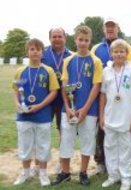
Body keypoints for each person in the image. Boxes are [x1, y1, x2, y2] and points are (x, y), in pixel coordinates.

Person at [51, 25, 102, 186]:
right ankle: (65, 173)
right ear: (75, 39)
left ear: (90, 41)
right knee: (66, 140)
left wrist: (85, 108)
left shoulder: (96, 61)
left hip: (89, 110)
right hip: (70, 110)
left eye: (86, 40)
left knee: (87, 141)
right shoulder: (68, 60)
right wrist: (66, 106)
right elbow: (64, 84)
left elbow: (96, 86)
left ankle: (83, 172)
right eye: (80, 39)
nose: (83, 43)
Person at [13, 38, 59, 186]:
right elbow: (15, 91)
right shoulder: (21, 71)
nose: (35, 52)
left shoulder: (48, 70)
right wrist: (17, 104)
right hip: (24, 116)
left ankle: (43, 173)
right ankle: (25, 172)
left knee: (43, 145)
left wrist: (39, 106)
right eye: (32, 49)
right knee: (25, 144)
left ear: (42, 52)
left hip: (43, 115)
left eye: (38, 49)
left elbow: (53, 92)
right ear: (27, 52)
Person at [100, 39, 131, 190]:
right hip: (110, 117)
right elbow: (103, 95)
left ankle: (126, 177)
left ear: (127, 53)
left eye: (122, 51)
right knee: (110, 147)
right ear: (111, 53)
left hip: (127, 118)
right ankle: (113, 175)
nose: (119, 54)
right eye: (116, 51)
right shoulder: (106, 71)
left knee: (126, 148)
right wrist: (101, 116)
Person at [91, 18, 131, 174]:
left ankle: (121, 163)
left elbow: (130, 69)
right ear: (103, 29)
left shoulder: (127, 46)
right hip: (102, 95)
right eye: (107, 27)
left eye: (112, 27)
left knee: (122, 130)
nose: (110, 29)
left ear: (118, 28)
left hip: (121, 97)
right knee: (102, 129)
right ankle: (101, 161)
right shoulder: (96, 48)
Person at [41, 27, 72, 174]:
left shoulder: (71, 55)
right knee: (42, 131)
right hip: (46, 99)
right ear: (49, 38)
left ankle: (61, 162)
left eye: (60, 36)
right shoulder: (43, 54)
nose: (57, 39)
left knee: (63, 132)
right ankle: (39, 164)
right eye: (54, 36)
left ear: (65, 38)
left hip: (64, 100)